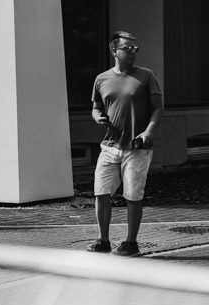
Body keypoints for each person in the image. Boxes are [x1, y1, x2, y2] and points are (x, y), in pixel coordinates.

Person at [87, 31, 163, 256]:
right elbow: (96, 107)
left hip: (136, 147)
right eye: (127, 48)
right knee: (101, 192)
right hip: (110, 146)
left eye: (135, 48)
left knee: (132, 195)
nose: (132, 52)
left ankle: (131, 243)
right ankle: (103, 240)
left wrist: (148, 132)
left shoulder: (147, 76)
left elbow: (158, 109)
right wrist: (97, 117)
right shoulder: (101, 79)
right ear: (114, 51)